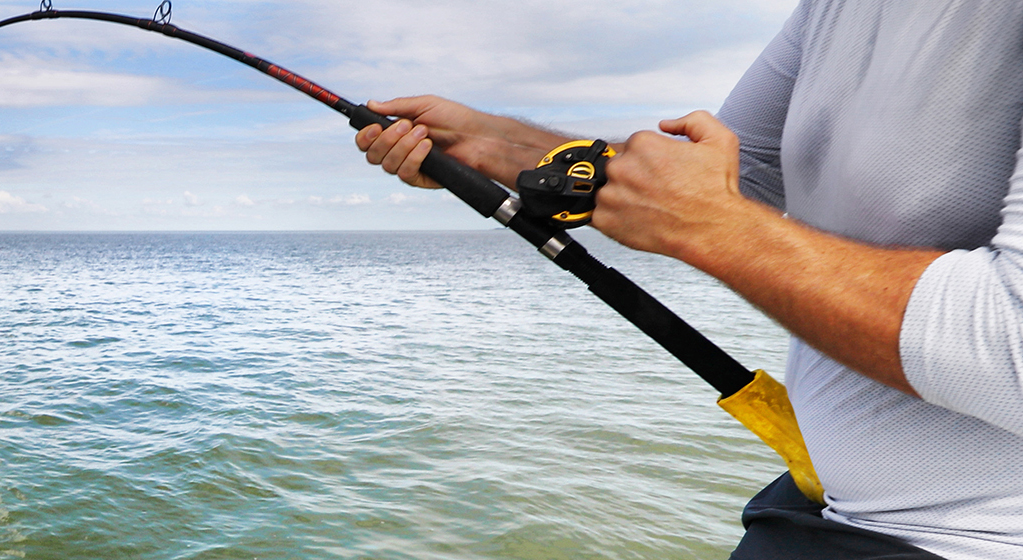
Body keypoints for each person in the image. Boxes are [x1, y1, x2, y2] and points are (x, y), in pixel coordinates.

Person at [353, 2, 1023, 559]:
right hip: (818, 509)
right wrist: (495, 146)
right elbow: (734, 178)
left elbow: (1010, 348)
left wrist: (719, 231)